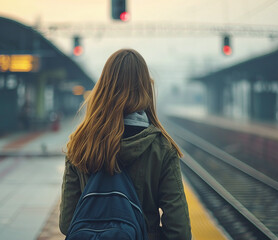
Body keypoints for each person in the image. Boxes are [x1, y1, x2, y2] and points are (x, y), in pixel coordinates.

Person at [59, 49, 192, 239]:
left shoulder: (80, 144)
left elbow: (67, 223)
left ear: (103, 87)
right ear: (145, 88)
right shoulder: (161, 147)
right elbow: (180, 232)